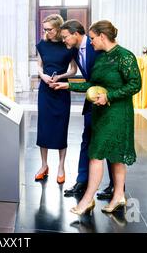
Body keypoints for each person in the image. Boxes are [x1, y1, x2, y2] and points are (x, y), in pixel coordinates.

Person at [53, 20, 141, 215]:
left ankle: (87, 200)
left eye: (92, 38)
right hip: (101, 112)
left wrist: (109, 96)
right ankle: (118, 196)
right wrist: (68, 86)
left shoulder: (125, 56)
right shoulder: (101, 58)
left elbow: (135, 85)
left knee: (96, 155)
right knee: (114, 156)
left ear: (102, 36)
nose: (90, 42)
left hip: (118, 113)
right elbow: (92, 83)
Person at [57, 19, 116, 200]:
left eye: (65, 37)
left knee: (109, 144)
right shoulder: (74, 50)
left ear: (76, 34)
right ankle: (82, 181)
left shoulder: (96, 46)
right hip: (91, 101)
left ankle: (115, 186)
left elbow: (106, 76)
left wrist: (70, 87)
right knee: (86, 141)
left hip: (106, 101)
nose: (64, 41)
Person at [35, 14, 77, 184]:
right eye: (44, 29)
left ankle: (61, 166)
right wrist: (44, 77)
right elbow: (39, 66)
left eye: (49, 29)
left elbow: (73, 70)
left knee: (61, 127)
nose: (46, 32)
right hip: (45, 89)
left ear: (59, 28)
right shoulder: (42, 45)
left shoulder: (68, 45)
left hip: (61, 90)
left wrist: (60, 76)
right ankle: (44, 165)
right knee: (43, 127)